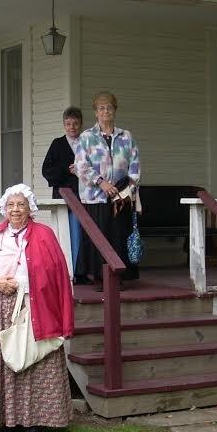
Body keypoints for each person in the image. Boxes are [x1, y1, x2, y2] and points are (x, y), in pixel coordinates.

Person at [0, 184, 74, 432]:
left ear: (30, 208)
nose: (15, 210)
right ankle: (5, 418)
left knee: (34, 361)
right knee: (2, 361)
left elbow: (53, 274)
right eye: (11, 205)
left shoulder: (44, 235)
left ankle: (35, 420)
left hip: (31, 306)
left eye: (21, 205)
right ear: (4, 208)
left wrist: (21, 284)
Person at [73, 91, 141, 291]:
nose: (106, 111)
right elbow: (81, 166)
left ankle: (119, 277)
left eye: (109, 107)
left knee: (119, 236)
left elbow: (135, 165)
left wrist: (128, 188)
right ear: (95, 112)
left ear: (115, 110)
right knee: (99, 238)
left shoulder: (126, 137)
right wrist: (101, 183)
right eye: (101, 108)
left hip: (122, 197)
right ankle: (102, 279)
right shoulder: (86, 137)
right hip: (95, 197)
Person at [41, 106, 87, 281]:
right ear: (64, 125)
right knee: (65, 233)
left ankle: (80, 272)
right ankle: (65, 271)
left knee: (81, 234)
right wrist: (67, 170)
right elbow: (47, 170)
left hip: (84, 195)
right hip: (64, 195)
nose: (72, 127)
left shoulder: (87, 142)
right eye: (68, 124)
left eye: (75, 123)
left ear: (81, 124)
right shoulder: (57, 144)